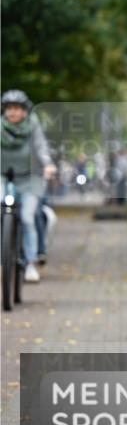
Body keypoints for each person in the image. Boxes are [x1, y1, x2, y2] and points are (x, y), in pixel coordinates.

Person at [1, 90, 57, 283]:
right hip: (3, 177)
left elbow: (41, 146)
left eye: (17, 108)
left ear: (24, 111)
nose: (13, 112)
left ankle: (30, 264)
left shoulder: (32, 125)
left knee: (27, 217)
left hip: (30, 178)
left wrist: (48, 164)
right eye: (9, 108)